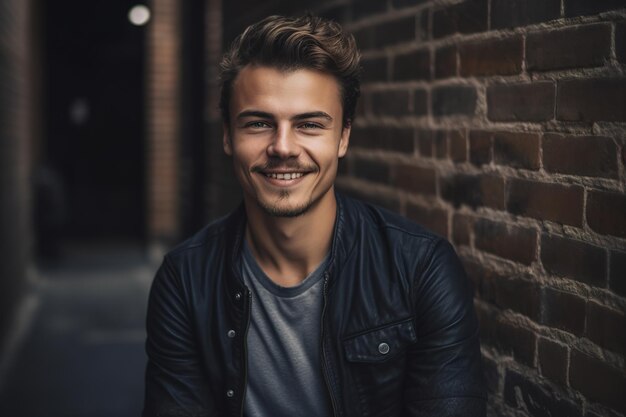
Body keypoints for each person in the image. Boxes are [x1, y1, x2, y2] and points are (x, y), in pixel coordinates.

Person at [143, 14, 486, 417]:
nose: (283, 147)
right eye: (258, 123)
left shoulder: (420, 270)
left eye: (308, 125)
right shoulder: (185, 280)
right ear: (227, 136)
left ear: (343, 137)